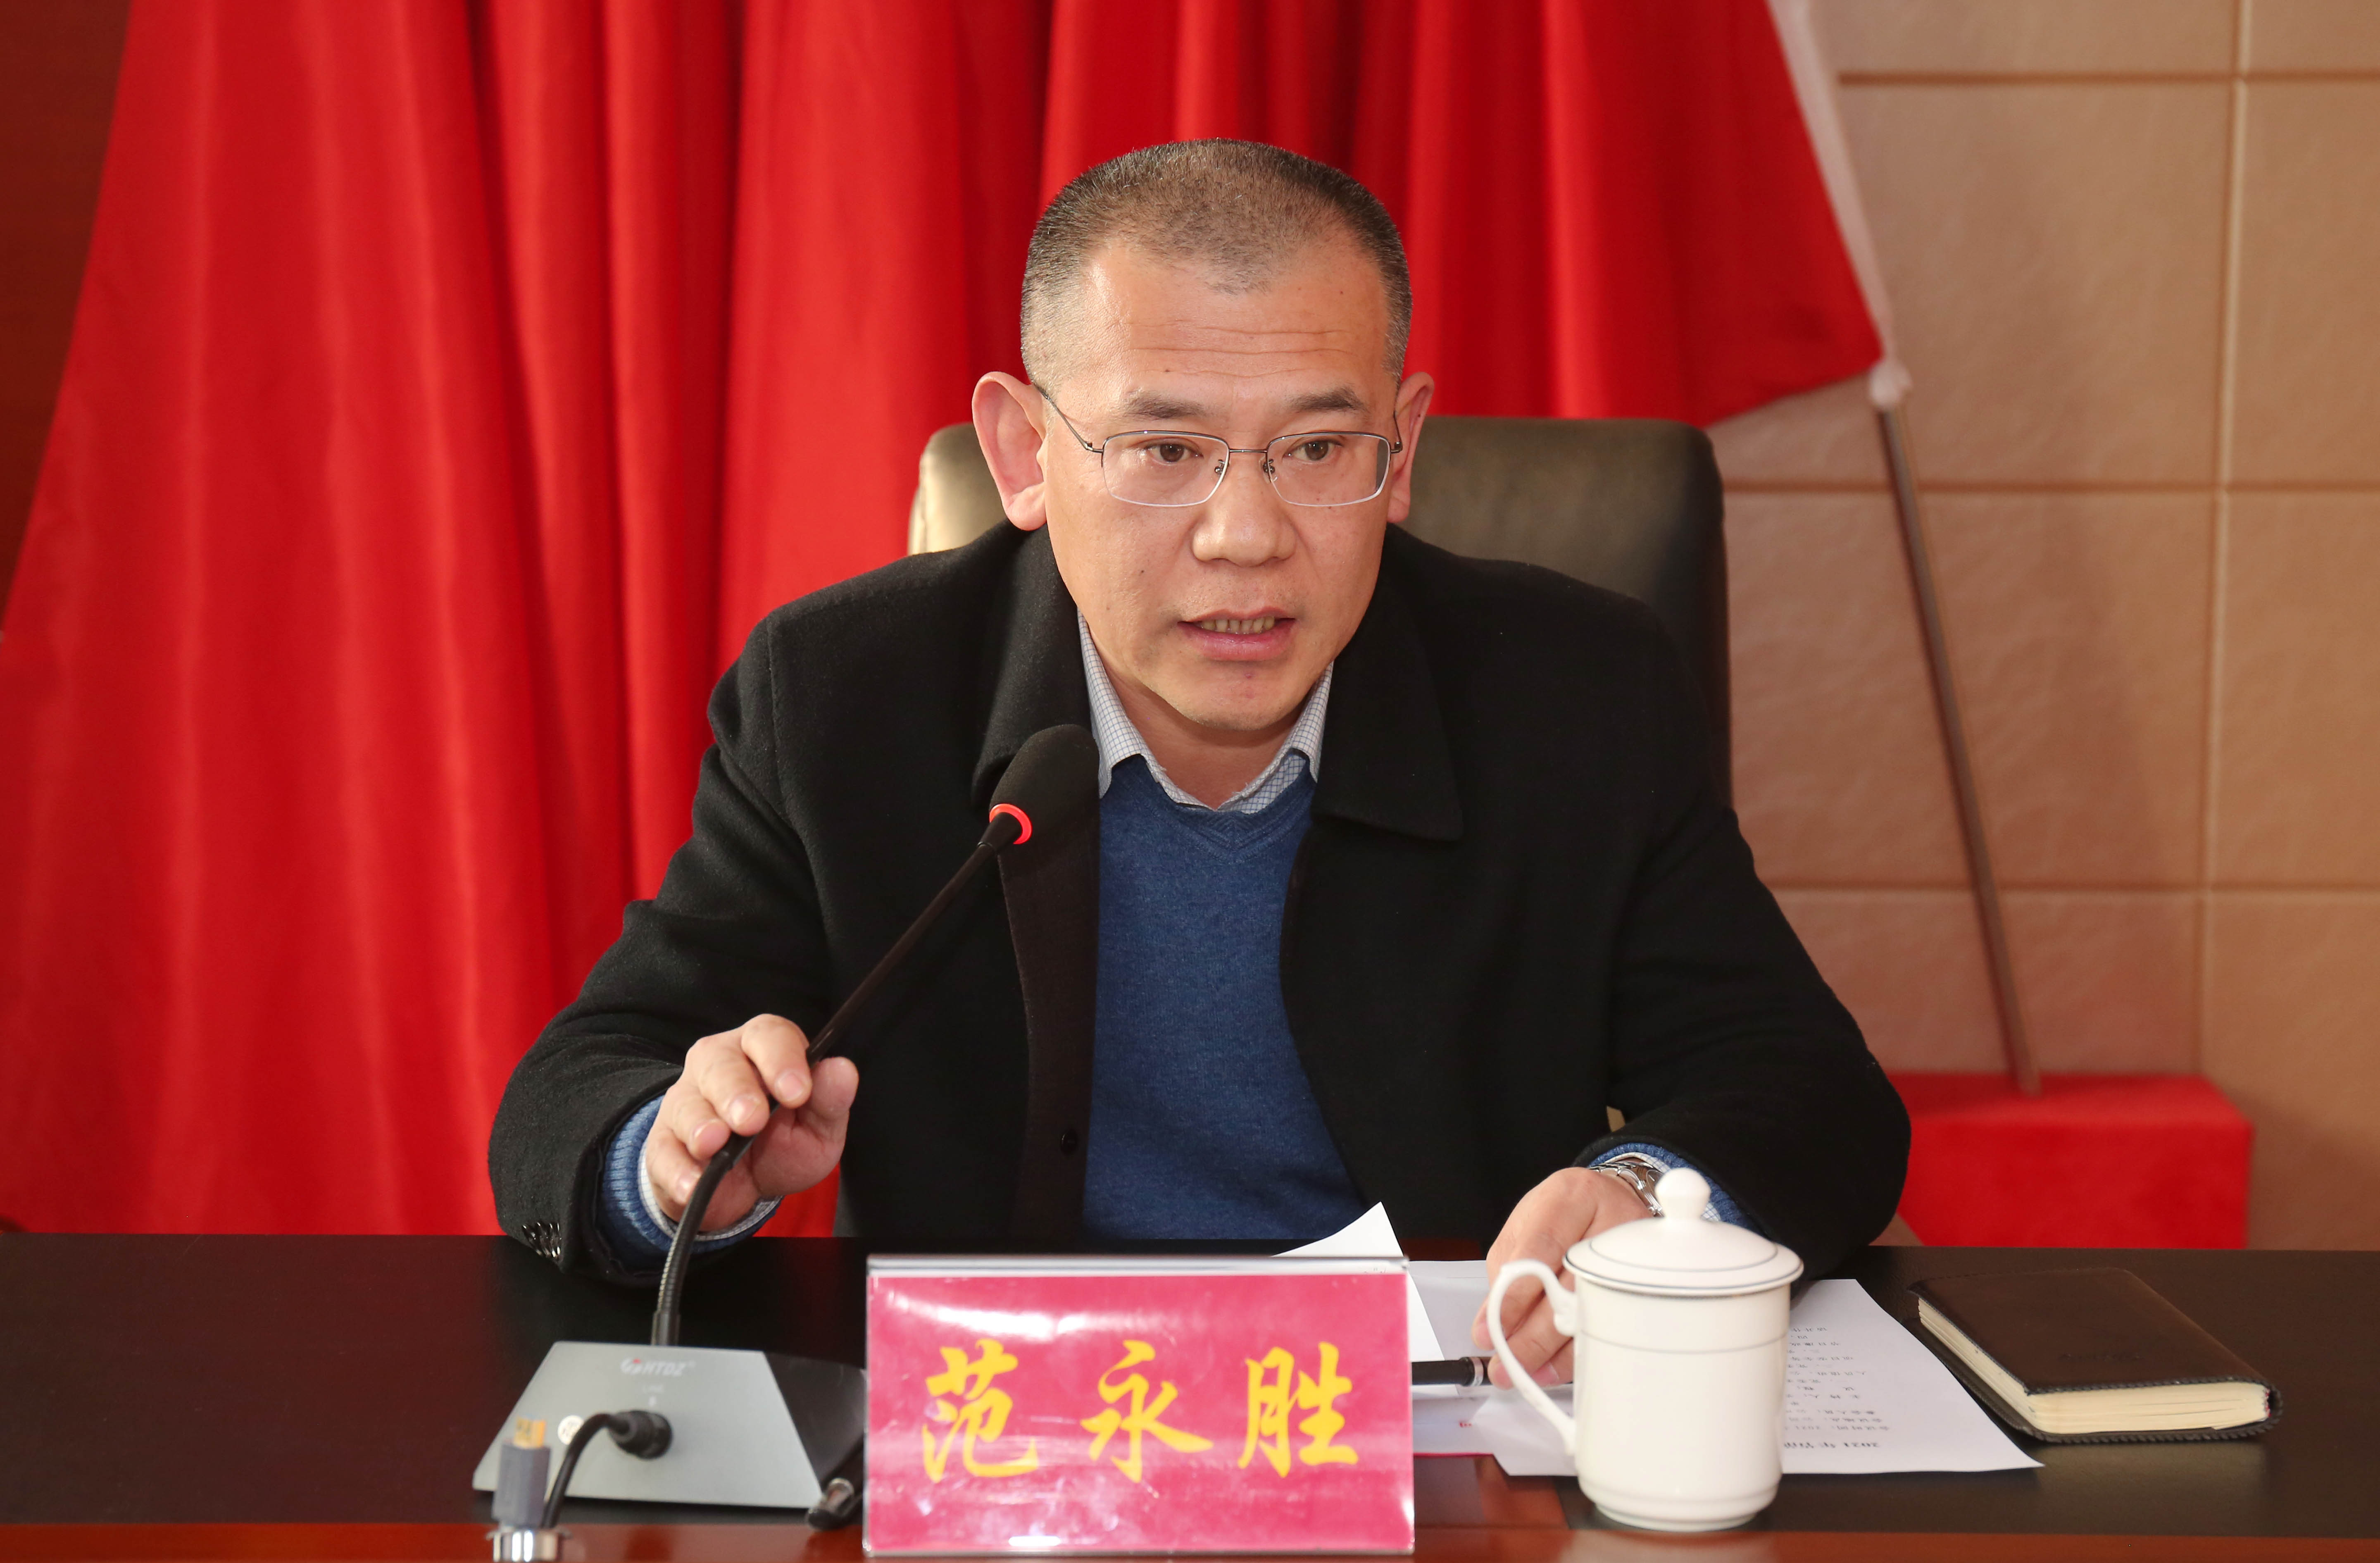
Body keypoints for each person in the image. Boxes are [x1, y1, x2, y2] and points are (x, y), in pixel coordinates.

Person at [489, 139, 1908, 1387]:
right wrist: (678, 1155)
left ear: (1404, 448)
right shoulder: (846, 698)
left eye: (1318, 448)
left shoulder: (1575, 695)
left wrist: (1646, 1196)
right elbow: (577, 1093)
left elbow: (1807, 1091)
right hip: (1016, 1452)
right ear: (1024, 454)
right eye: (1166, 448)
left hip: (1443, 1447)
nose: (1245, 535)